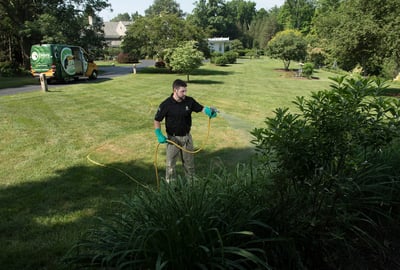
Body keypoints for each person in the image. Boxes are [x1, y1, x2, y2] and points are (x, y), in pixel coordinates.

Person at [154, 79, 217, 182]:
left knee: (189, 164)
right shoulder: (166, 104)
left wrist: (208, 111)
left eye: (185, 91)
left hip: (187, 138)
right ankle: (171, 188)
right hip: (173, 139)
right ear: (175, 90)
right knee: (170, 165)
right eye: (182, 91)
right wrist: (158, 134)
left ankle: (191, 186)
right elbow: (157, 120)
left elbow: (200, 108)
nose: (185, 94)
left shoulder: (189, 101)